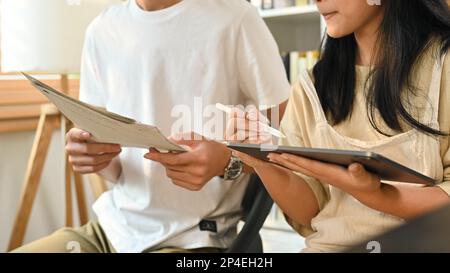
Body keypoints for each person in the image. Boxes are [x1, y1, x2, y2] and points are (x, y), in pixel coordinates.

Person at [12, 0, 289, 253]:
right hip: (112, 232)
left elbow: (289, 146)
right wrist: (93, 156)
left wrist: (227, 162)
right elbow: (116, 168)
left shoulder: (236, 18)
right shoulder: (102, 30)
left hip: (198, 239)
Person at [231, 0, 450, 252]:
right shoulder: (313, 85)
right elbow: (310, 211)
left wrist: (377, 195)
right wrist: (262, 161)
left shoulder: (443, 65)